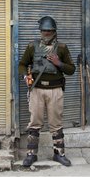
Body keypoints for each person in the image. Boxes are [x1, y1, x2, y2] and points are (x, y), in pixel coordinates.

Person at [18, 16, 76, 167]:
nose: (47, 33)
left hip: (55, 90)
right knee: (34, 123)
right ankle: (31, 155)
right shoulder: (32, 46)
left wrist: (59, 63)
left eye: (50, 31)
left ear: (54, 31)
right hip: (36, 90)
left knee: (56, 123)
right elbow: (22, 64)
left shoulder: (62, 48)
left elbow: (71, 69)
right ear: (40, 31)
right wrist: (26, 76)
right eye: (44, 30)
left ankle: (59, 154)